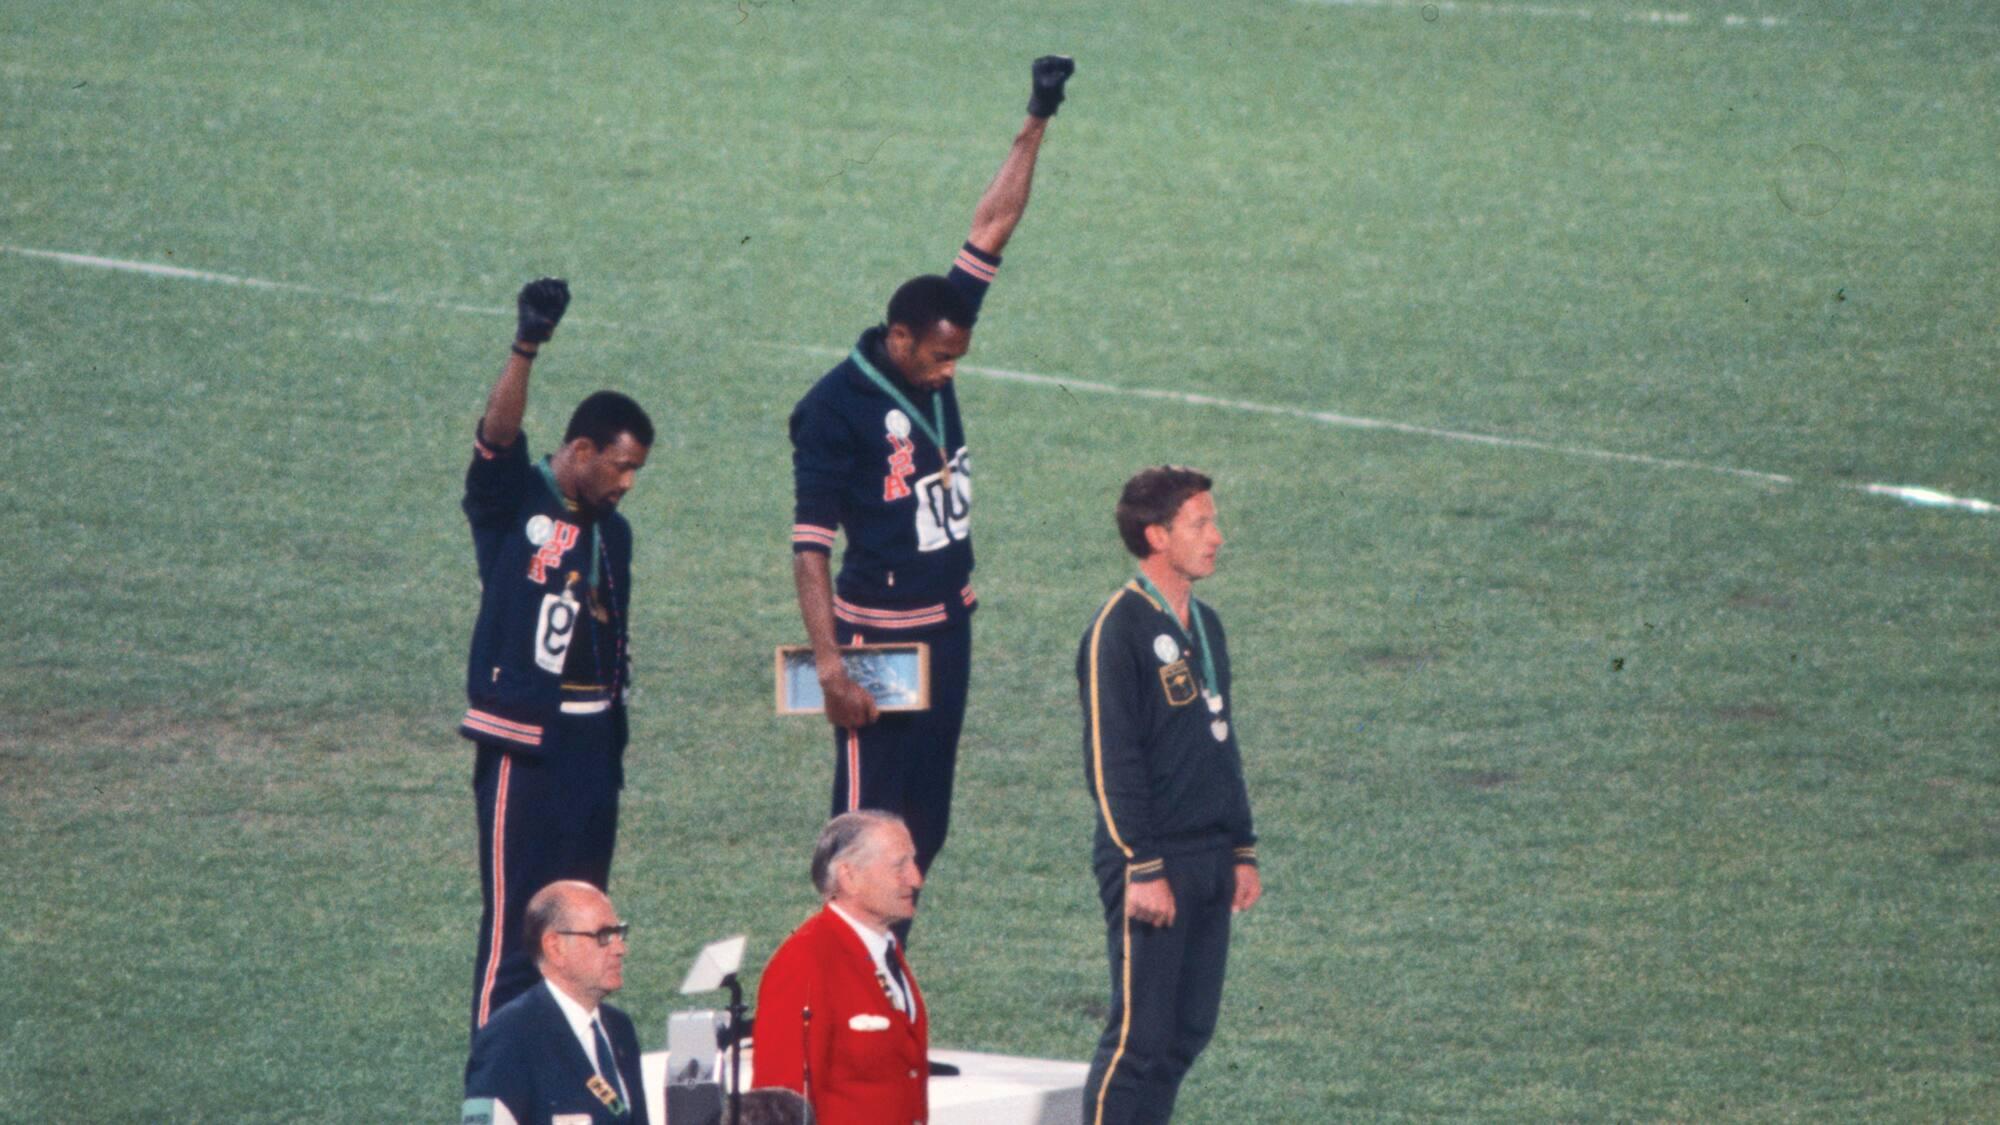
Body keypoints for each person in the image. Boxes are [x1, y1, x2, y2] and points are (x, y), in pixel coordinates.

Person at [788, 56, 1077, 937]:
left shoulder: (937, 337)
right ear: (899, 336)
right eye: (941, 359)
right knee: (869, 836)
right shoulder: (831, 408)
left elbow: (995, 221)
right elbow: (809, 546)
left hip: (948, 626)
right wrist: (829, 666)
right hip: (876, 638)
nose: (953, 371)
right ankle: (842, 1011)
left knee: (927, 832)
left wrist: (1038, 113)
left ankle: (889, 1001)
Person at [459, 277, 656, 1033]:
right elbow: (497, 436)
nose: (628, 483)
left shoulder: (617, 533)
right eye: (620, 465)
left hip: (594, 745)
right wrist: (526, 345)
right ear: (580, 450)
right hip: (526, 741)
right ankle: (492, 1092)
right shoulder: (516, 500)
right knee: (517, 927)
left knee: (581, 923)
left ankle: (561, 1074)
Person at [1076, 467, 1263, 1125]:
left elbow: (1222, 740)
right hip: (1151, 862)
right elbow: (1111, 759)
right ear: (1157, 535)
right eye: (1201, 523)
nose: (1217, 536)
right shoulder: (1116, 628)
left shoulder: (1207, 625)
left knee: (1187, 1031)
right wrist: (1142, 865)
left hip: (1210, 853)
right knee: (1139, 1039)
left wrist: (1242, 846)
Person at [751, 811, 930, 1125]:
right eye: (899, 865)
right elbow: (782, 1106)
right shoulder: (804, 961)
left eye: (913, 863)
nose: (916, 879)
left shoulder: (884, 949)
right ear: (849, 877)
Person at [464, 881, 650, 1125]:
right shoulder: (509, 1037)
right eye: (604, 935)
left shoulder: (619, 1029)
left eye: (619, 933)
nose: (620, 948)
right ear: (555, 948)